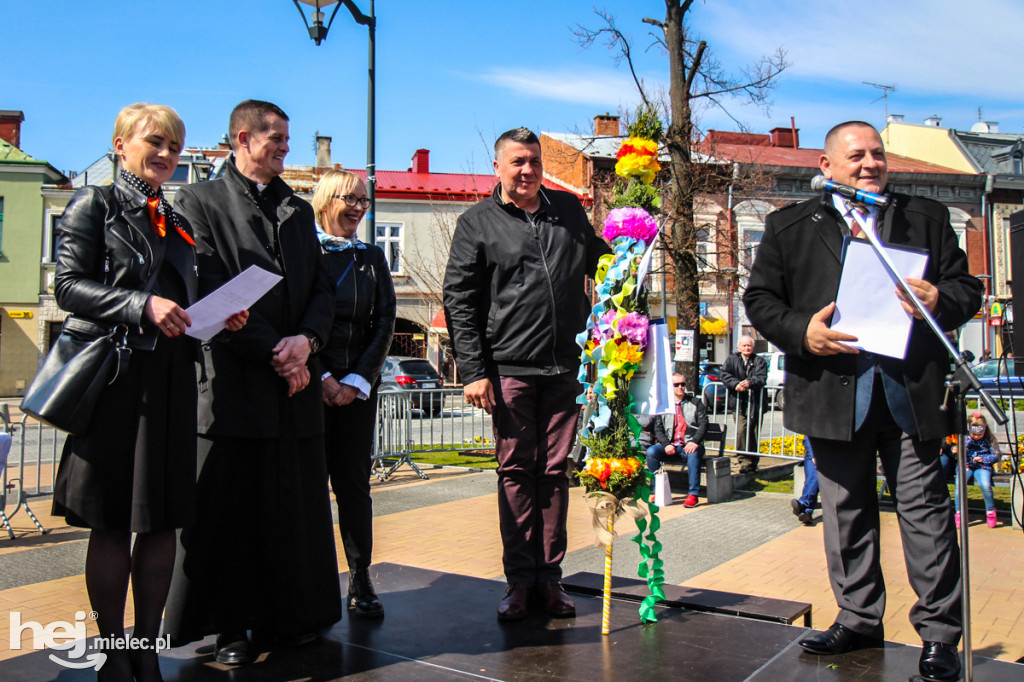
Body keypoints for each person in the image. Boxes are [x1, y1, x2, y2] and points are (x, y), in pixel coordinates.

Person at [744, 121, 982, 682]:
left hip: (911, 392)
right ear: (826, 166)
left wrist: (939, 297)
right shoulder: (789, 226)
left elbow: (966, 288)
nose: (869, 163)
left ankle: (941, 637)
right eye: (855, 156)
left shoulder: (924, 217)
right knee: (846, 514)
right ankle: (858, 619)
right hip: (832, 392)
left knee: (926, 516)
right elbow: (759, 299)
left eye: (877, 154)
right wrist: (803, 332)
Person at [51, 103, 247, 681]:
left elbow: (181, 304)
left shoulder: (179, 220)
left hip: (169, 382)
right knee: (113, 522)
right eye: (153, 142)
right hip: (115, 383)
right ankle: (115, 656)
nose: (165, 154)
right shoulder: (96, 204)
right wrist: (143, 305)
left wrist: (216, 318)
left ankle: (143, 653)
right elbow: (67, 286)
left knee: (161, 523)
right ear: (120, 145)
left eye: (174, 146)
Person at [163, 100, 340, 665]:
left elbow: (320, 289)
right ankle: (231, 626)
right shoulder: (200, 201)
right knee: (232, 512)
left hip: (296, 383)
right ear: (242, 137)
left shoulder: (295, 206)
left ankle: (291, 617)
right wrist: (276, 352)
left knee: (293, 507)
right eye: (276, 138)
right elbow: (210, 284)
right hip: (238, 383)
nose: (285, 147)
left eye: (288, 138)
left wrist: (307, 342)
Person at [443, 127, 610, 621]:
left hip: (565, 365)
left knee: (555, 474)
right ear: (498, 167)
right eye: (517, 162)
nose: (527, 170)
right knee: (517, 472)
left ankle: (549, 579)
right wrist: (474, 369)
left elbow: (600, 260)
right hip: (510, 367)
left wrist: (631, 242)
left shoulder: (568, 212)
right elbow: (460, 300)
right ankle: (519, 581)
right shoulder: (477, 222)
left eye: (534, 161)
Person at [309, 169, 396, 617]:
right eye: (351, 199)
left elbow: (384, 321)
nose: (360, 208)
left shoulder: (372, 257)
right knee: (306, 491)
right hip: (307, 386)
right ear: (326, 200)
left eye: (364, 200)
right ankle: (308, 583)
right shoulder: (302, 253)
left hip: (357, 392)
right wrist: (321, 376)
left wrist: (357, 380)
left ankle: (360, 577)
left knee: (354, 488)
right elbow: (295, 320)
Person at [643, 373, 708, 508]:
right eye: (676, 385)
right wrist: (666, 444)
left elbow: (703, 425)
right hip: (671, 445)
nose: (680, 387)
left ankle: (693, 495)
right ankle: (658, 490)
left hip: (690, 444)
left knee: (694, 454)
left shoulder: (696, 403)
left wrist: (695, 441)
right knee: (651, 452)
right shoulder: (664, 405)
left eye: (683, 384)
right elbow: (658, 429)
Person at [721, 335, 768, 472]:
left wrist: (750, 383)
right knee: (742, 430)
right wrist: (736, 385)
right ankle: (744, 460)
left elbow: (761, 377)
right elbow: (725, 375)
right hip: (738, 401)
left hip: (756, 402)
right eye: (744, 345)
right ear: (738, 347)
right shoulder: (731, 359)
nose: (747, 348)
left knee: (753, 431)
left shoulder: (759, 361)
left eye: (749, 345)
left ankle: (753, 461)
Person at [954, 412, 999, 529]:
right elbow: (958, 451)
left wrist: (983, 458)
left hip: (982, 466)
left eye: (980, 434)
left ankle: (990, 512)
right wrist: (967, 441)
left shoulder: (989, 439)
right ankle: (959, 513)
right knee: (959, 485)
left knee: (985, 485)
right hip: (967, 465)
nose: (977, 437)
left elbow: (996, 455)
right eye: (973, 434)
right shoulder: (965, 438)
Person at [791, 438, 818, 525]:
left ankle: (804, 507)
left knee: (816, 475)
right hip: (815, 454)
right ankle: (805, 509)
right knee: (814, 475)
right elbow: (808, 438)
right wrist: (814, 456)